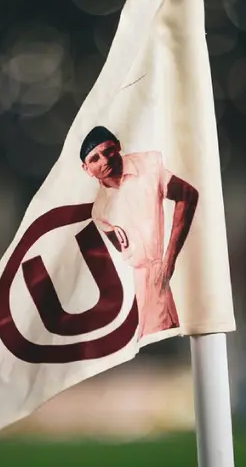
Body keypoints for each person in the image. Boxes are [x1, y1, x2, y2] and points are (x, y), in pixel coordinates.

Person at [80, 125, 199, 340]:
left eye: (108, 151)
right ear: (86, 168)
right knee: (153, 339)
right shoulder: (100, 210)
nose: (105, 161)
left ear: (118, 147)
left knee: (184, 337)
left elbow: (188, 194)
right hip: (142, 279)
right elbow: (123, 249)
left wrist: (169, 259)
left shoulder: (148, 165)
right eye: (95, 159)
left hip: (175, 264)